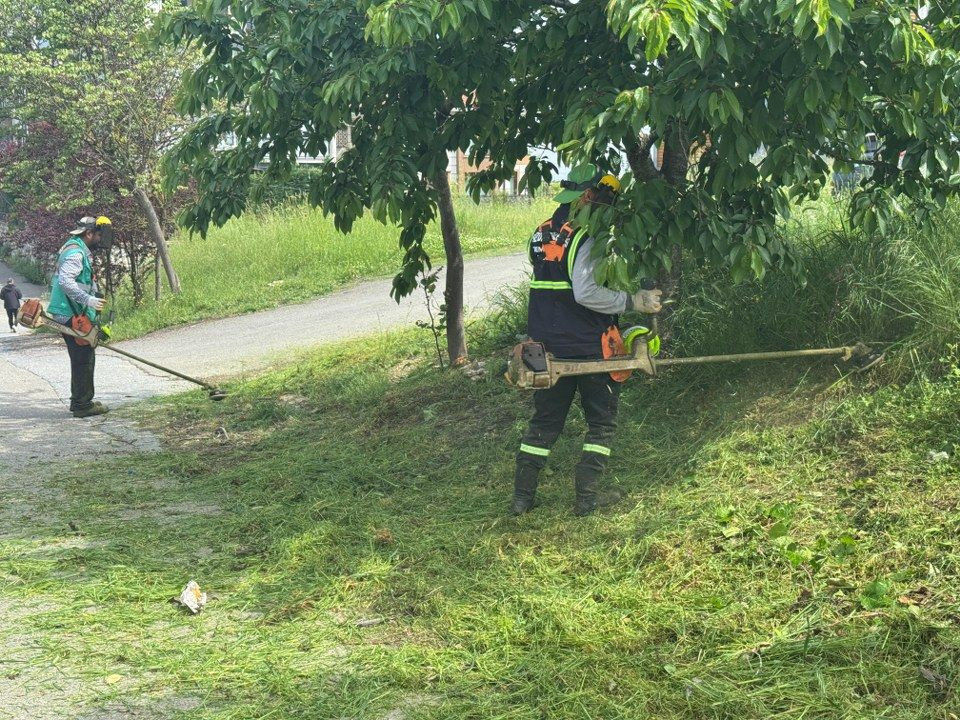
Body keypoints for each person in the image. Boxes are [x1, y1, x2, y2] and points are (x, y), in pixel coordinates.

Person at [513, 165, 663, 517]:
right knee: (602, 423)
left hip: (546, 348)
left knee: (545, 422)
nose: (606, 215)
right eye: (604, 205)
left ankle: (523, 497)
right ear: (587, 198)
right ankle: (587, 500)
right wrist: (631, 302)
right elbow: (585, 293)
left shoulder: (540, 234)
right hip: (590, 349)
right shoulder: (585, 237)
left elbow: (553, 285)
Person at [47, 216, 112, 418]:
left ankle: (81, 401)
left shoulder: (72, 248)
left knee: (80, 356)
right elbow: (66, 282)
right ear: (89, 234)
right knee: (84, 357)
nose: (100, 239)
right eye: (99, 235)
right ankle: (83, 405)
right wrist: (89, 300)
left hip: (68, 311)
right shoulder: (76, 253)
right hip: (71, 313)